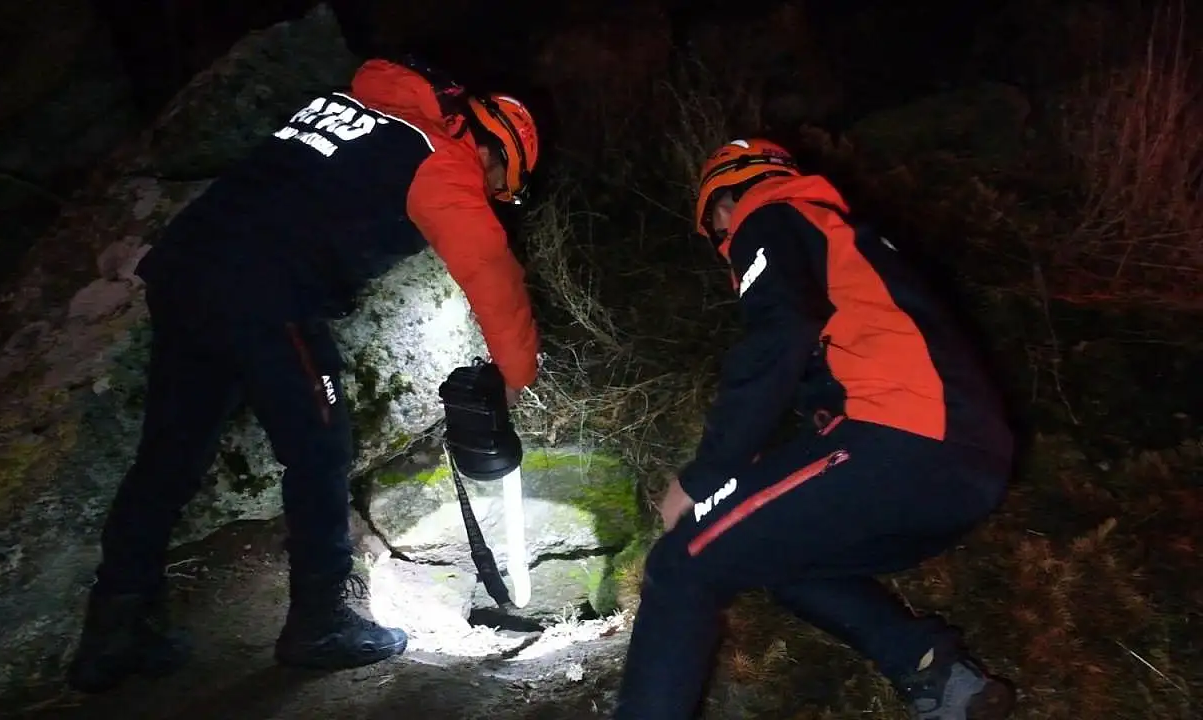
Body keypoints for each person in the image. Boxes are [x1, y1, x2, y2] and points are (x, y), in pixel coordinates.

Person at [66, 55, 542, 693]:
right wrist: (516, 373)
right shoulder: (442, 159)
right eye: (500, 185)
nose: (492, 196)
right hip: (264, 294)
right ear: (493, 152)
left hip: (185, 270)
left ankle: (113, 630)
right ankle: (320, 622)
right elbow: (490, 270)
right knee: (320, 449)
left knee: (170, 454)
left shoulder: (354, 106)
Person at [612, 139, 1017, 720]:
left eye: (719, 233)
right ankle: (936, 673)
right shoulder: (846, 243)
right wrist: (763, 471)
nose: (726, 247)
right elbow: (832, 381)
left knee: (680, 563)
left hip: (898, 440)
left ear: (724, 205)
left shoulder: (769, 213)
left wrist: (705, 478)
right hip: (969, 466)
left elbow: (777, 337)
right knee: (776, 555)